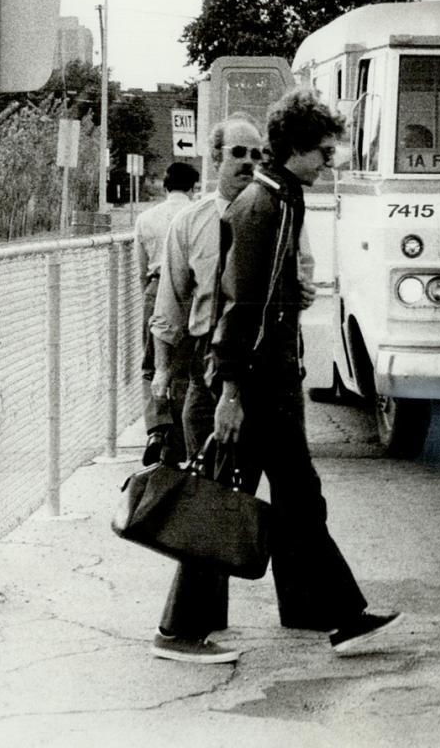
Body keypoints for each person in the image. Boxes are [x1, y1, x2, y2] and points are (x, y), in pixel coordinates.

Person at [180, 88, 401, 661]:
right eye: (324, 153)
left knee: (297, 498)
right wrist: (229, 391)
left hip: (270, 383)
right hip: (254, 386)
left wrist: (290, 296)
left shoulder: (282, 198)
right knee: (227, 502)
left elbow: (263, 293)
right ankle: (180, 630)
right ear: (296, 149)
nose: (331, 163)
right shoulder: (266, 205)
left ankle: (324, 611)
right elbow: (240, 304)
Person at [147, 114, 266, 664]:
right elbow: (170, 301)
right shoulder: (191, 222)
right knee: (211, 499)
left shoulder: (272, 216)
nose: (248, 162)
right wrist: (163, 375)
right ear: (215, 158)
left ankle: (327, 610)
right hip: (206, 368)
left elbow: (305, 281)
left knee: (272, 495)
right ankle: (179, 630)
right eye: (238, 152)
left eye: (257, 154)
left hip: (265, 371)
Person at [134, 160, 200, 464]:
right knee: (185, 364)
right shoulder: (196, 215)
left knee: (152, 364)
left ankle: (157, 429)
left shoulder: (146, 219)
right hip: (190, 291)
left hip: (156, 285)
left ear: (165, 185)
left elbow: (140, 268)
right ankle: (180, 439)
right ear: (193, 187)